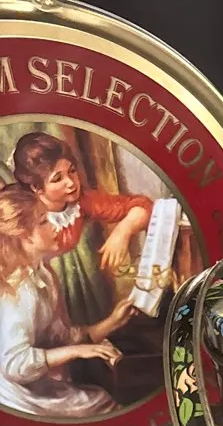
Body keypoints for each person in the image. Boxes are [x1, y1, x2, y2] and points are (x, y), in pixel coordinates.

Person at [0, 183, 134, 417]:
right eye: (43, 221)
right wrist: (78, 351)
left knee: (102, 400)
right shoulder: (19, 291)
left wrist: (113, 321)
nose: (54, 226)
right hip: (16, 396)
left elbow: (59, 337)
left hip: (34, 386)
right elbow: (14, 365)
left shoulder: (44, 275)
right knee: (103, 406)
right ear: (24, 235)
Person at [12, 131, 152, 327]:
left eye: (72, 171)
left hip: (68, 290)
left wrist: (123, 232)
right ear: (36, 187)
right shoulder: (18, 211)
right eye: (57, 179)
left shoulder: (80, 202)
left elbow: (143, 206)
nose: (71, 183)